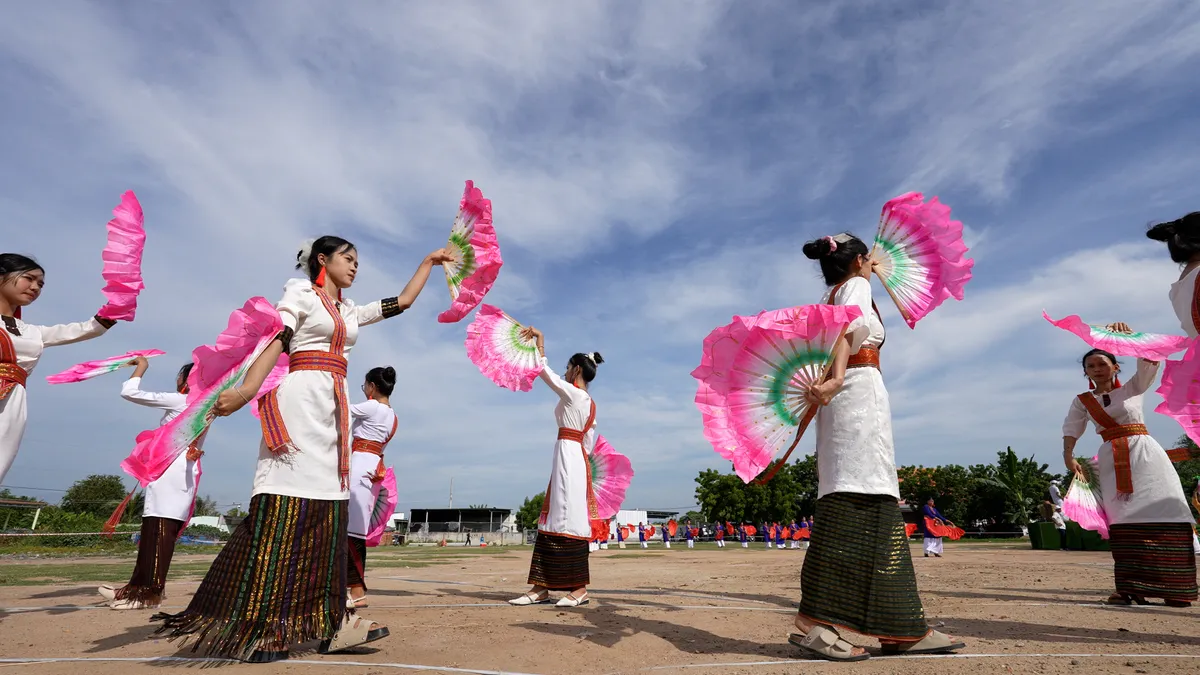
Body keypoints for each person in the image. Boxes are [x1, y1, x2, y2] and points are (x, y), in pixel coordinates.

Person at [157, 236, 453, 661]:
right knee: (283, 509)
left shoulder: (348, 311)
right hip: (300, 402)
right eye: (347, 258)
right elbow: (277, 338)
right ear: (322, 260)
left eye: (357, 260)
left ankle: (330, 624)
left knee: (327, 516)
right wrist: (247, 390)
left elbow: (401, 302)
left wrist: (428, 261)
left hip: (333, 409)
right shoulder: (300, 293)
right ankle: (260, 627)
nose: (355, 266)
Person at [789, 234, 963, 661]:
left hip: (851, 399)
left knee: (872, 498)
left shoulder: (835, 291)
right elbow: (848, 328)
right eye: (868, 259)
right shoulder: (856, 286)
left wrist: (834, 380)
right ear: (861, 261)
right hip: (854, 397)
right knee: (862, 494)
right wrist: (837, 379)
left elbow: (837, 334)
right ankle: (818, 622)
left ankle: (899, 626)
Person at [1062, 343, 1197, 607]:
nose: (1097, 369)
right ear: (1086, 372)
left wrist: (1130, 340)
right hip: (1111, 460)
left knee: (1165, 510)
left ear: (1115, 367)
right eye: (1091, 366)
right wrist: (1068, 455)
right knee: (1122, 518)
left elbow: (1150, 360)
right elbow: (1071, 427)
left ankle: (1177, 589)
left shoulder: (1133, 388)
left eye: (1102, 364)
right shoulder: (1083, 401)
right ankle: (1129, 589)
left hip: (1146, 456)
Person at [508, 326, 603, 609]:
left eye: (568, 367)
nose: (565, 372)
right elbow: (589, 442)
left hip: (569, 458)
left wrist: (540, 342)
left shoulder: (575, 395)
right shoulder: (588, 403)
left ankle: (579, 589)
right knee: (555, 516)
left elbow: (543, 372)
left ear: (576, 370)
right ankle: (541, 587)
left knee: (567, 517)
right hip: (572, 456)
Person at [98, 357, 203, 610]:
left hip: (170, 469)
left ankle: (146, 594)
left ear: (187, 380)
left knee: (158, 530)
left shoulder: (181, 400)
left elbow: (130, 393)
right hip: (182, 471)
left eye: (180, 375)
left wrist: (141, 366)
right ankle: (137, 589)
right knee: (157, 530)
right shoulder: (203, 404)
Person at [1, 254, 116, 483]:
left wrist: (114, 309)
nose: (35, 287)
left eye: (40, 284)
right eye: (28, 278)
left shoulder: (31, 331)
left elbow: (80, 329)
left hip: (13, 402)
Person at [346, 366, 399, 610]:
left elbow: (340, 409)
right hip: (373, 468)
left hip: (360, 466)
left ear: (372, 387)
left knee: (351, 530)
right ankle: (353, 589)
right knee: (356, 529)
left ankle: (356, 591)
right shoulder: (393, 417)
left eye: (365, 385)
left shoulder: (372, 407)